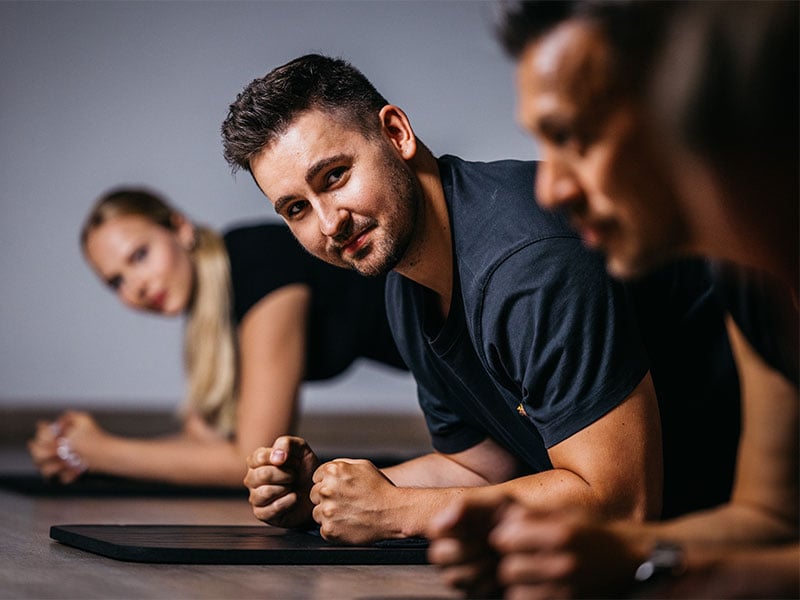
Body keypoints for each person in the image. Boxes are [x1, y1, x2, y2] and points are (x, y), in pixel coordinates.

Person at [220, 53, 740, 544]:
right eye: (296, 209)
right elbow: (482, 467)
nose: (330, 223)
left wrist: (398, 512)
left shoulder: (528, 263)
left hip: (747, 537)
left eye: (335, 176)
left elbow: (623, 502)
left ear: (396, 133)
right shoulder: (407, 283)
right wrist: (320, 497)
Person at [427, 2, 798, 597]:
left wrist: (662, 566)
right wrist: (583, 550)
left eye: (573, 136)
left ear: (686, 99)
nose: (550, 188)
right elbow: (768, 520)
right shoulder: (750, 279)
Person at [27, 187, 407, 488]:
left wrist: (101, 452)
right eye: (116, 282)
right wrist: (78, 447)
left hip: (462, 342)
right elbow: (203, 443)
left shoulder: (256, 263)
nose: (136, 286)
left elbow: (255, 458)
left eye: (139, 255)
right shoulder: (210, 320)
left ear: (181, 229)